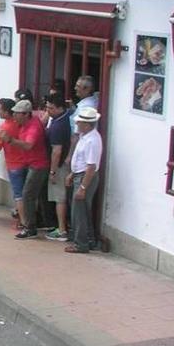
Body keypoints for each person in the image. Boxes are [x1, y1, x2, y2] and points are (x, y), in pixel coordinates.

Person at [4, 100, 50, 239]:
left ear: (25, 114)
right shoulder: (28, 122)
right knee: (32, 195)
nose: (14, 116)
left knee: (27, 195)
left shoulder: (33, 127)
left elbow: (29, 145)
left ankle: (30, 227)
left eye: (17, 113)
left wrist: (10, 140)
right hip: (32, 164)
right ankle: (37, 223)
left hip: (38, 165)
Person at [65, 107, 102, 253]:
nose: (77, 125)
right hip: (79, 175)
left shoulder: (92, 140)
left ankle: (81, 243)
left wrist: (83, 187)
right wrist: (72, 174)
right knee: (82, 210)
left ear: (87, 124)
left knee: (78, 212)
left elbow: (91, 166)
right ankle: (89, 240)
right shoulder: (84, 136)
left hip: (85, 178)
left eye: (79, 122)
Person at [0, 98, 27, 229]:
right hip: (28, 162)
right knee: (27, 193)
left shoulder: (2, 128)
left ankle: (23, 221)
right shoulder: (22, 124)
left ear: (7, 112)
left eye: (0, 109)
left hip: (14, 164)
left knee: (18, 195)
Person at [44, 93, 73, 241]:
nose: (48, 111)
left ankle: (61, 229)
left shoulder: (57, 126)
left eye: (51, 108)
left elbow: (57, 151)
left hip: (60, 166)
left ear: (60, 108)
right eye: (47, 107)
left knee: (59, 198)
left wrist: (52, 171)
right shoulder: (67, 117)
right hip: (65, 163)